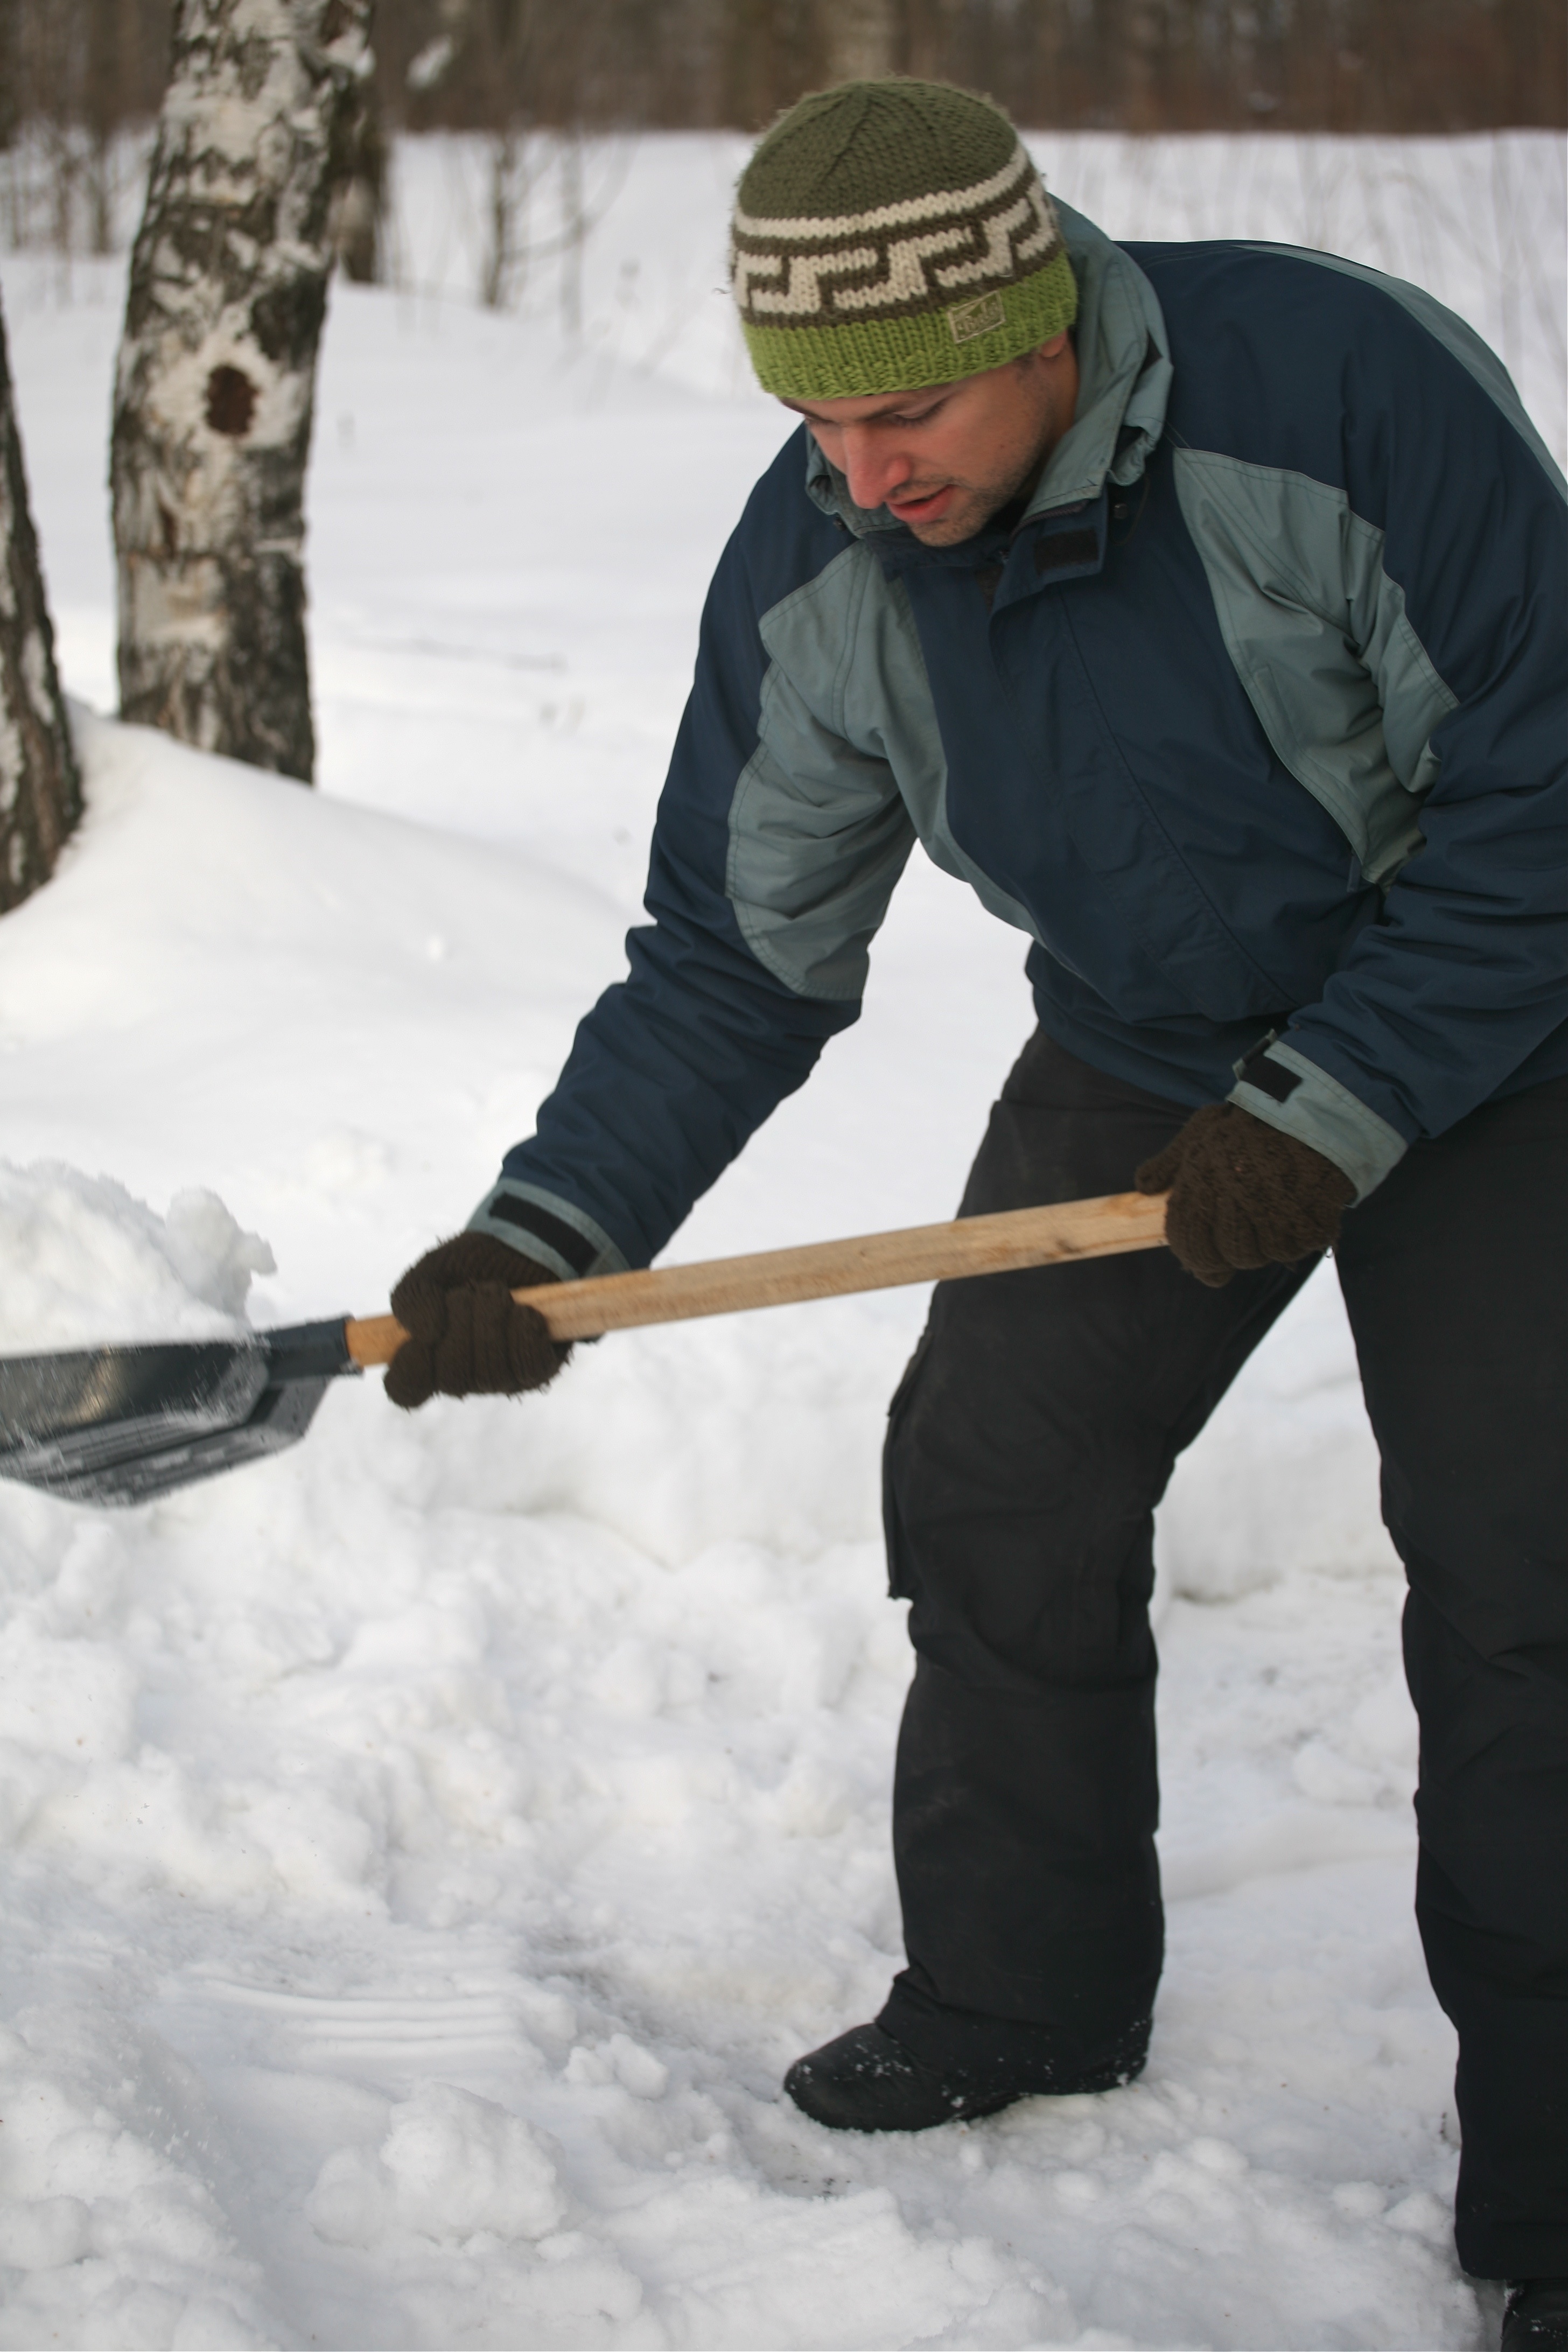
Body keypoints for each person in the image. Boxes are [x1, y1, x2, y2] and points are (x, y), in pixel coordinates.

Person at [386, 80, 1567, 2343]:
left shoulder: (1335, 395)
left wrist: (1337, 1107)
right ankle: (1025, 1989)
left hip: (1509, 1015)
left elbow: (1550, 789)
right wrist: (547, 1234)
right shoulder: (824, 567)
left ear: (1036, 325)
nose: (858, 474)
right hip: (1158, 1033)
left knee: (1529, 1575)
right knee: (997, 1461)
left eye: (902, 411)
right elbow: (733, 956)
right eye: (811, 423)